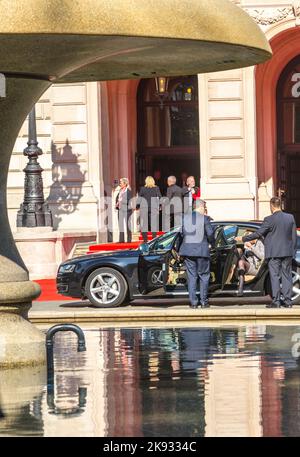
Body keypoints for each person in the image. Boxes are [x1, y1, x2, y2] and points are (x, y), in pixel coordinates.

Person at [235, 197, 297, 308]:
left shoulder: (269, 219)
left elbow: (258, 234)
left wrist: (243, 239)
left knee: (275, 277)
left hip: (274, 253)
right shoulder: (290, 217)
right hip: (287, 252)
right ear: (280, 205)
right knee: (287, 276)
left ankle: (276, 301)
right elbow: (294, 236)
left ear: (272, 206)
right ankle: (288, 302)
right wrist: (292, 251)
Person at [179, 199, 214, 309]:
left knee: (192, 277)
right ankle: (204, 302)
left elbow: (181, 234)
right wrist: (211, 243)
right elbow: (210, 233)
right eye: (205, 208)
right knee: (204, 276)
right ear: (201, 207)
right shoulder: (205, 219)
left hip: (188, 251)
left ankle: (193, 303)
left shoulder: (185, 218)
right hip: (202, 251)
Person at [136, 176, 162, 242]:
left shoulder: (143, 188)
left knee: (144, 225)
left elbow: (139, 198)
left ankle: (145, 240)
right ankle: (154, 240)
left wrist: (137, 206)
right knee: (153, 224)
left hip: (144, 207)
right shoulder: (156, 188)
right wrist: (160, 205)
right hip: (153, 207)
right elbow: (160, 197)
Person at [115, 177, 133, 243]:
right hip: (120, 209)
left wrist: (121, 201)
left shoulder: (128, 191)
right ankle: (121, 240)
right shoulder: (120, 191)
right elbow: (117, 198)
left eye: (121, 183)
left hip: (127, 210)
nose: (120, 184)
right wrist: (117, 203)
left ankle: (129, 239)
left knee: (128, 225)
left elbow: (129, 200)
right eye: (120, 183)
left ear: (125, 184)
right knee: (121, 225)